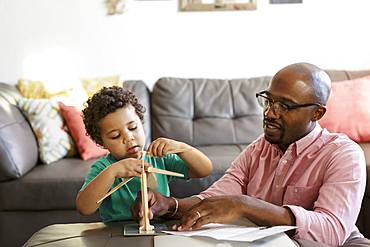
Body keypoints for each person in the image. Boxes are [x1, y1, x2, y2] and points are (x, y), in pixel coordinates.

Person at [131, 63, 366, 246]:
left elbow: (332, 231)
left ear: (316, 113)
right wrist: (169, 204)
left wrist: (246, 205)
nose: (270, 113)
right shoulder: (259, 148)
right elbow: (216, 198)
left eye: (284, 106)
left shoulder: (343, 155)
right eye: (269, 100)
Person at [76, 86, 212, 222]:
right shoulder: (104, 167)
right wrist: (112, 172)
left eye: (132, 127)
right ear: (102, 142)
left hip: (159, 229)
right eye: (116, 136)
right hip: (118, 233)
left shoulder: (158, 158)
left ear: (141, 122)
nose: (129, 138)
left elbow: (204, 170)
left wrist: (180, 147)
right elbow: (84, 208)